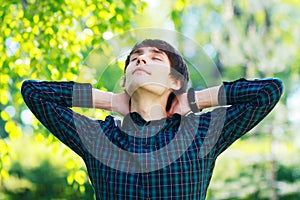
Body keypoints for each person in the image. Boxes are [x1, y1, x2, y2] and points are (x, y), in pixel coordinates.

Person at [21, 39, 283, 199]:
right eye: (134, 59)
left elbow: (267, 92)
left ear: (174, 81)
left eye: (154, 57)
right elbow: (35, 93)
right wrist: (111, 101)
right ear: (125, 82)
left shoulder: (201, 133)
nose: (141, 59)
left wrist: (192, 100)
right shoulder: (98, 139)